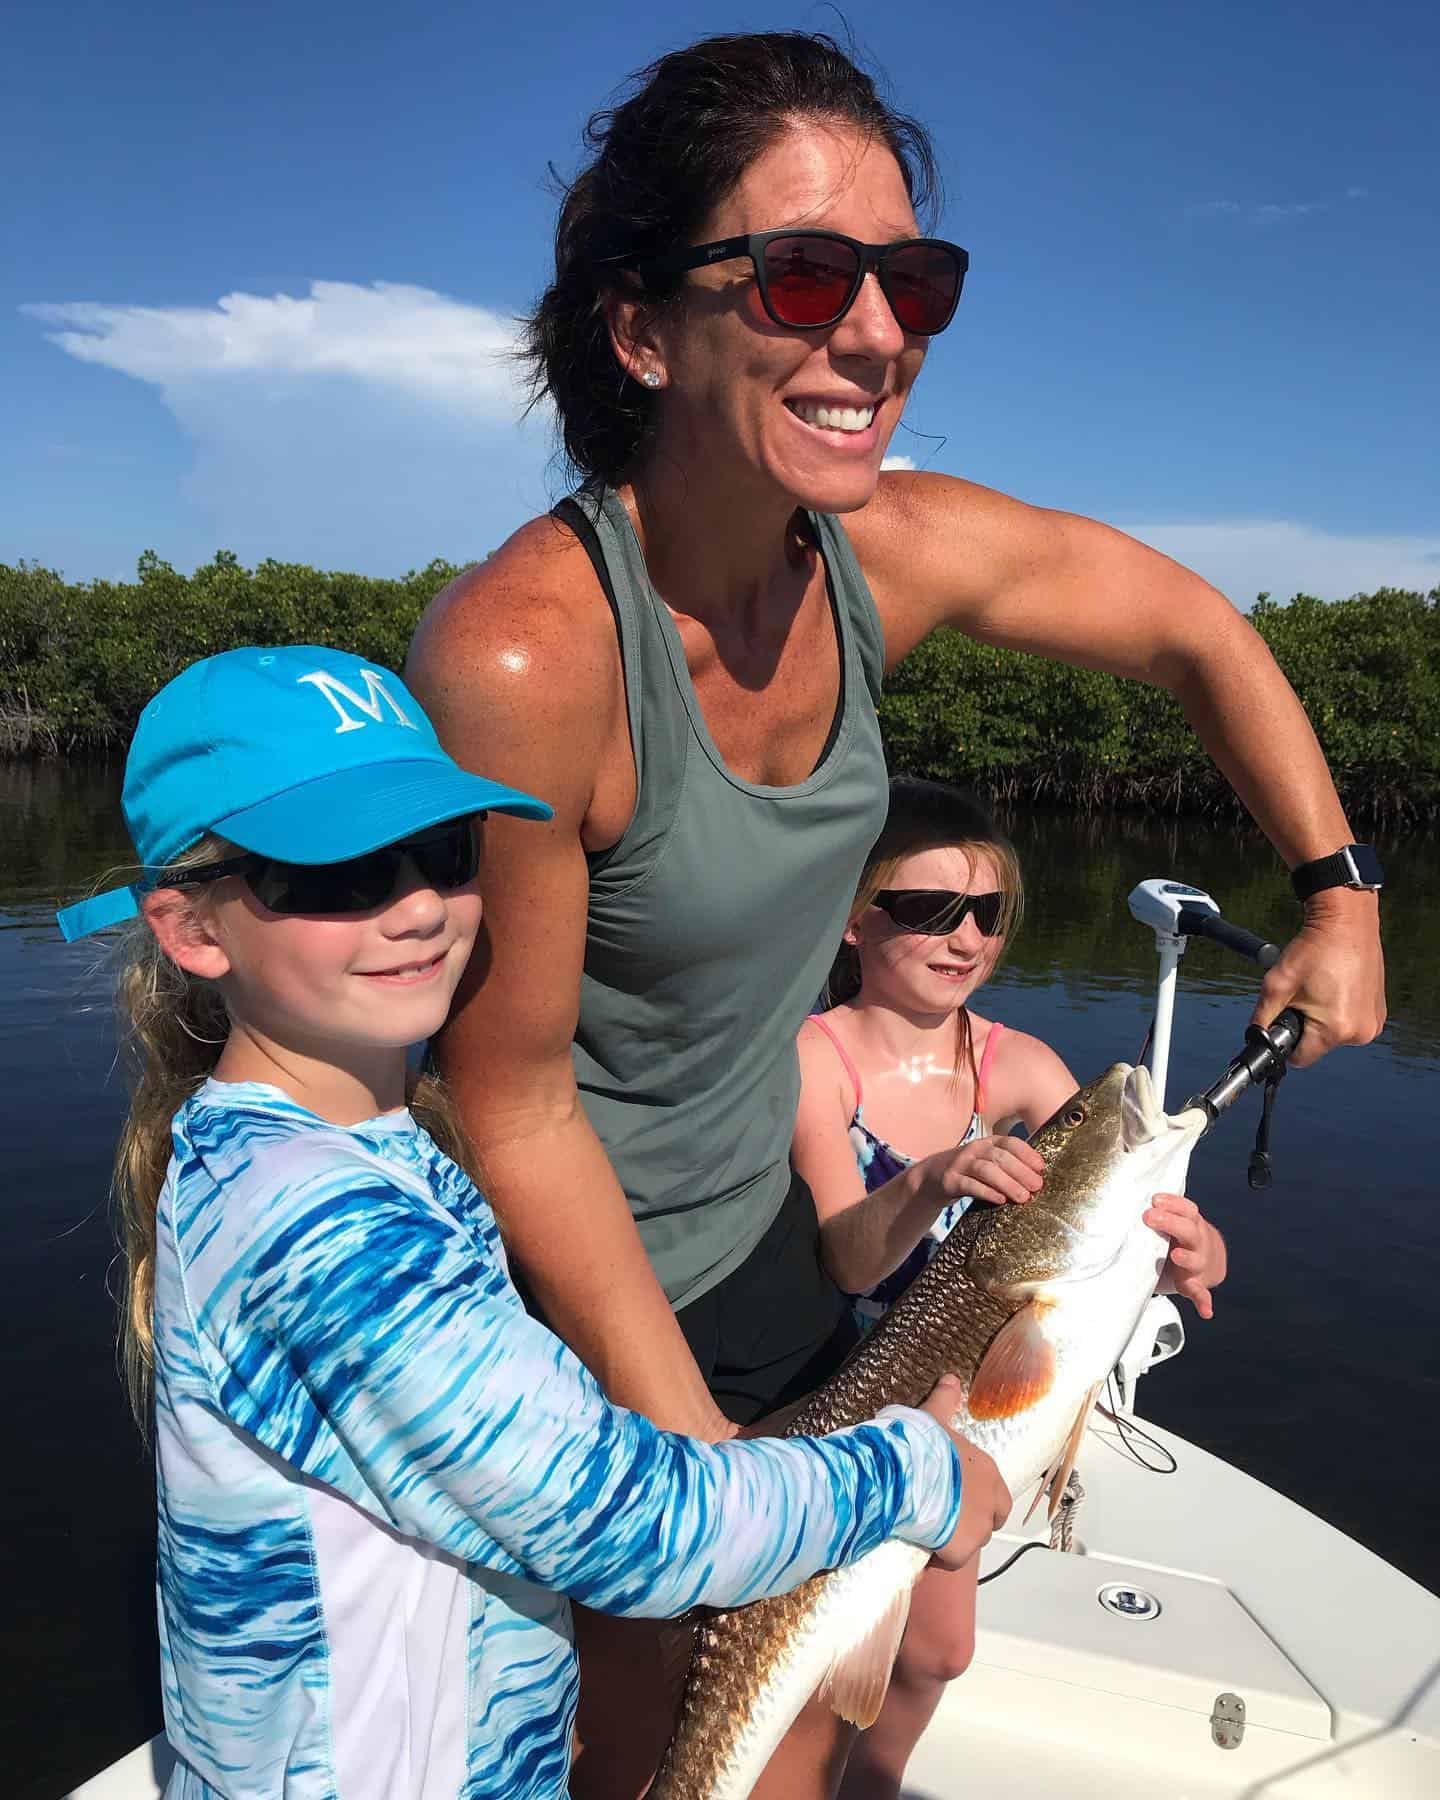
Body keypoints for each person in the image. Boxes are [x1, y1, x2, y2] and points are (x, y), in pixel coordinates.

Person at [404, 30, 1383, 1794]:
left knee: (793, 1717)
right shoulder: (530, 655)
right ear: (643, 330)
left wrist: (1339, 892)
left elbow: (1193, 628)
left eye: (911, 280)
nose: (875, 333)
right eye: (801, 274)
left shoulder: (887, 557)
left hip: (762, 1250)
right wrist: (697, 1462)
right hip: (564, 1293)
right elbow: (510, 1098)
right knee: (657, 1743)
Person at [55, 645, 1012, 1800]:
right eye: (338, 873)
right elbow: (627, 1524)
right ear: (196, 931)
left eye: (443, 853)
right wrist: (918, 1473)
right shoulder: (311, 1218)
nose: (416, 905)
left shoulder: (357, 1145)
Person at [792, 778, 1227, 1797]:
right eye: (928, 911)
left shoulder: (1021, 1064)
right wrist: (933, 1178)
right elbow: (844, 1260)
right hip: (856, 1384)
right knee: (837, 1638)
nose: (964, 938)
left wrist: (1187, 1248)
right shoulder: (814, 1061)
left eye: (985, 914)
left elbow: (1103, 1202)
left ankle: (873, 1783)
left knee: (939, 1652)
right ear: (854, 922)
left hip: (984, 1390)